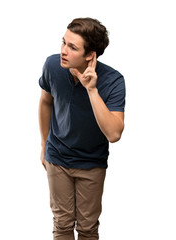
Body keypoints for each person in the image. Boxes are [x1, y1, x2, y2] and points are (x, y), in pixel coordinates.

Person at [38, 17, 126, 240]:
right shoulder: (52, 65)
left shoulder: (114, 81)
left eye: (72, 47)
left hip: (91, 163)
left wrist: (92, 90)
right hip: (57, 157)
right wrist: (43, 144)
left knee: (87, 229)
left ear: (90, 55)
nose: (63, 51)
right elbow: (46, 102)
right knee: (62, 225)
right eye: (63, 42)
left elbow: (114, 134)